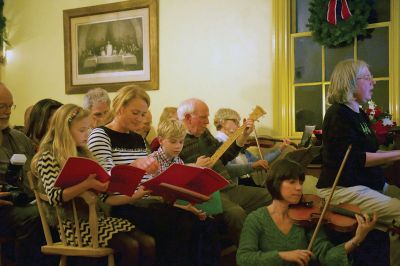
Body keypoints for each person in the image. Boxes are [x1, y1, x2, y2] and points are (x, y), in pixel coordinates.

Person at [87, 85, 213, 265]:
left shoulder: (138, 138)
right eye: (135, 113)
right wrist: (135, 166)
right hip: (118, 205)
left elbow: (149, 175)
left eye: (143, 114)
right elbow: (105, 181)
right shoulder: (100, 135)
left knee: (200, 222)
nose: (140, 119)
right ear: (120, 109)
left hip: (146, 199)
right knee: (180, 223)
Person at [31, 104, 155, 266]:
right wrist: (86, 184)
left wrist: (137, 193)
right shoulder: (49, 156)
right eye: (82, 130)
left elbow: (106, 199)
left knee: (148, 242)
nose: (87, 134)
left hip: (99, 221)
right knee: (130, 245)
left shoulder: (85, 154)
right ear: (64, 130)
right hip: (74, 226)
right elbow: (55, 196)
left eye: (89, 129)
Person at [316, 59, 400, 265]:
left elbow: (369, 151)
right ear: (350, 82)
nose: (374, 82)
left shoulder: (359, 113)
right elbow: (357, 159)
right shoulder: (337, 114)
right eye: (367, 77)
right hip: (343, 188)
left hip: (368, 185)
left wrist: (395, 154)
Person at [236, 158, 377, 266]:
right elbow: (243, 259)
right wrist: (282, 256)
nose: (299, 188)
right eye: (292, 182)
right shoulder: (256, 219)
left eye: (300, 183)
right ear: (275, 183)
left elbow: (327, 256)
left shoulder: (306, 218)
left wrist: (357, 239)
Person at [177, 98, 272, 244]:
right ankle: (246, 255)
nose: (208, 122)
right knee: (236, 213)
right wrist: (195, 167)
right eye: (203, 117)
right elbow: (172, 173)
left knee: (271, 196)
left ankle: (267, 242)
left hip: (228, 186)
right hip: (208, 193)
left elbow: (225, 156)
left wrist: (244, 135)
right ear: (188, 118)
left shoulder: (204, 134)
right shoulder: (176, 139)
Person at [148, 118, 220, 265]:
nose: (178, 146)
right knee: (188, 225)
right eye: (173, 142)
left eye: (181, 142)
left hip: (177, 205)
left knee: (210, 225)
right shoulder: (152, 161)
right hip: (158, 208)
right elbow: (153, 196)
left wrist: (193, 207)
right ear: (161, 140)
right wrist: (187, 209)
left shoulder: (178, 161)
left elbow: (182, 191)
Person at [0, 83, 47, 266]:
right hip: (4, 209)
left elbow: (36, 174)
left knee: (56, 212)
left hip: (24, 201)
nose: (7, 112)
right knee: (37, 217)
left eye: (10, 106)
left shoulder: (20, 139)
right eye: (1, 106)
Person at [214, 107, 291, 186]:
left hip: (246, 182)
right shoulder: (217, 143)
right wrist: (253, 166)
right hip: (235, 186)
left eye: (239, 122)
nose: (239, 125)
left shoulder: (238, 146)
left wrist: (281, 148)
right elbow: (228, 171)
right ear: (222, 122)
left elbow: (261, 162)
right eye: (235, 121)